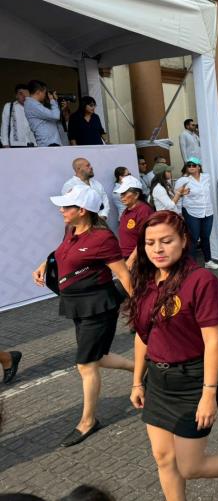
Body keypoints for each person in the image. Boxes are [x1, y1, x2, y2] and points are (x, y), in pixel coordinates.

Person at [126, 211, 218, 501]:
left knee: (190, 466)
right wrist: (137, 381)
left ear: (184, 239)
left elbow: (213, 342)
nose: (158, 249)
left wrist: (209, 394)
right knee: (163, 458)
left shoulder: (202, 282)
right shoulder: (146, 280)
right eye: (150, 243)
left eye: (166, 241)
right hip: (157, 381)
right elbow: (142, 334)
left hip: (192, 383)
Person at [32, 185, 134, 447]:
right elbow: (60, 251)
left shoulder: (103, 239)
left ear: (82, 210)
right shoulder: (71, 229)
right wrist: (45, 263)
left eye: (66, 207)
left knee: (86, 365)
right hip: (76, 305)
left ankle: (88, 421)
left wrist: (140, 306)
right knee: (98, 357)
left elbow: (123, 275)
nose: (61, 210)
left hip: (98, 307)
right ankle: (142, 369)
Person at [174, 157, 218, 270]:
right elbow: (178, 198)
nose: (191, 167)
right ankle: (192, 265)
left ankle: (208, 261)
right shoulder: (182, 180)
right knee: (193, 239)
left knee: (205, 237)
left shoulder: (206, 177)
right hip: (191, 212)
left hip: (207, 211)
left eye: (193, 165)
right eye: (189, 165)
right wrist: (179, 212)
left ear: (199, 166)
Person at [114, 176, 154, 267]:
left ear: (136, 195)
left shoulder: (144, 211)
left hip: (139, 258)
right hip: (127, 256)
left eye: (124, 193)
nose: (121, 197)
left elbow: (145, 238)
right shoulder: (127, 210)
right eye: (121, 194)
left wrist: (132, 259)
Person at [24, 80, 67, 147]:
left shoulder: (34, 104)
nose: (45, 95)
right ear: (38, 92)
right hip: (48, 143)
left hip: (50, 142)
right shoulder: (32, 105)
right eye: (44, 92)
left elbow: (52, 118)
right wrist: (53, 100)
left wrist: (60, 110)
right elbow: (55, 116)